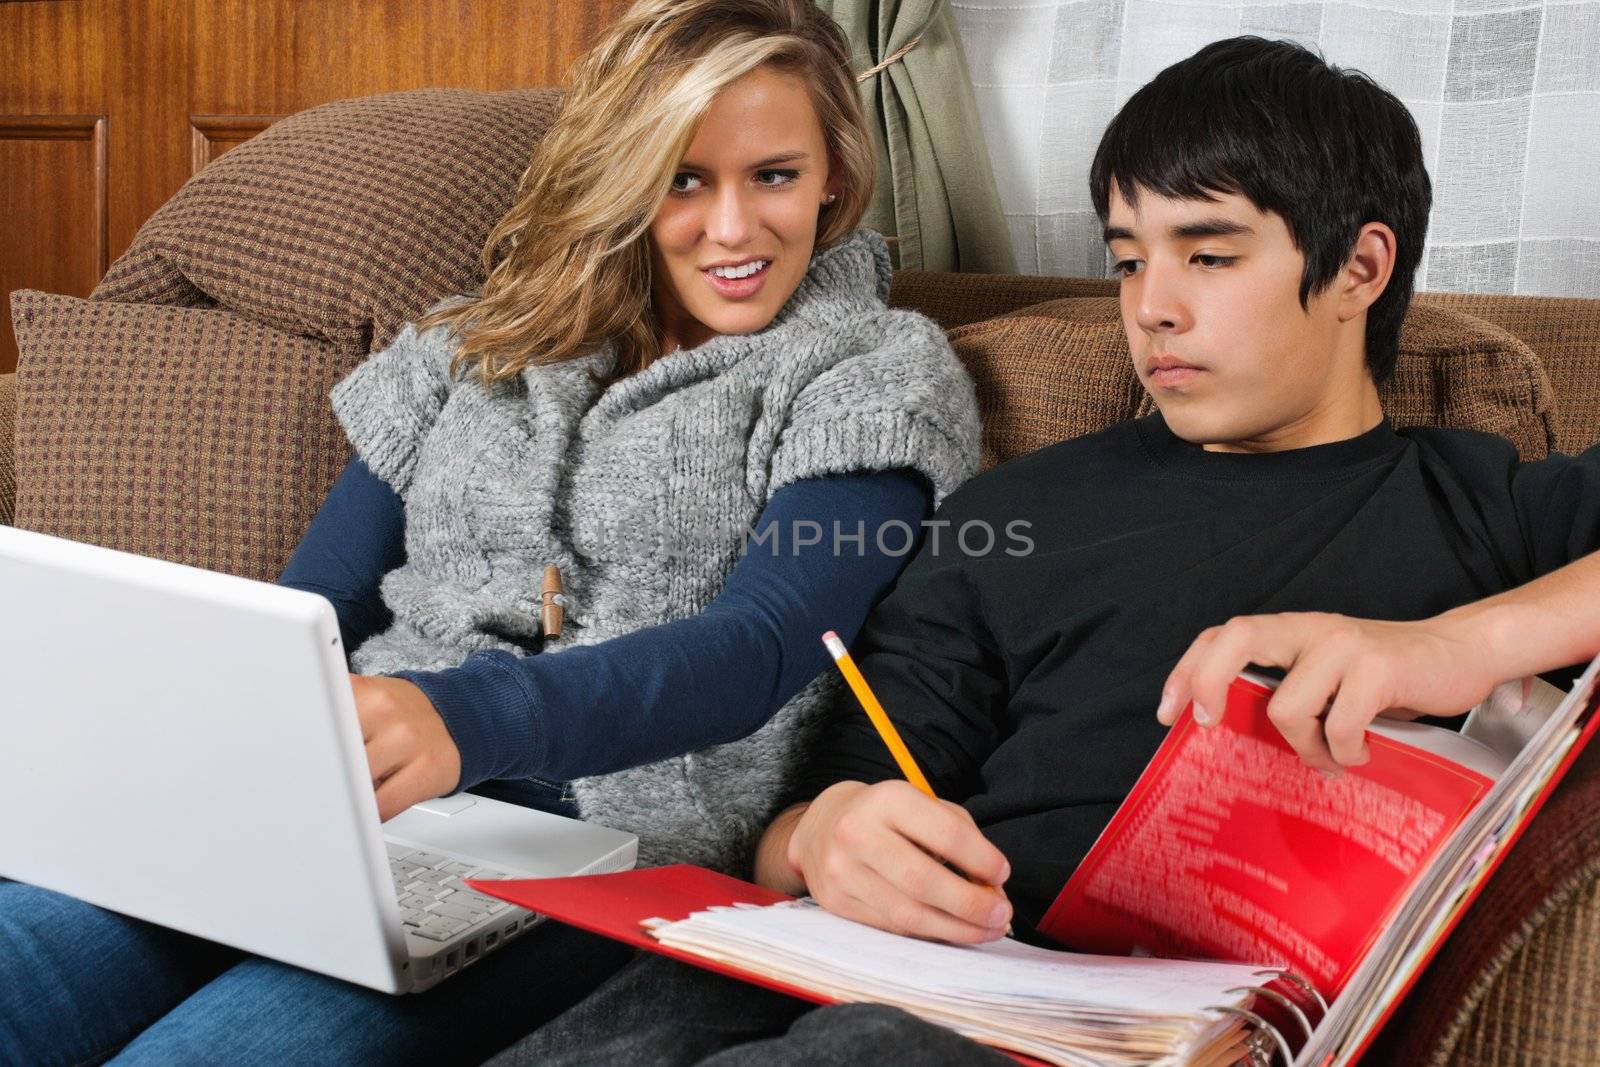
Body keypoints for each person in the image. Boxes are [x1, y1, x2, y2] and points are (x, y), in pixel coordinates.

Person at [485, 34, 1600, 1065]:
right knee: (647, 1016)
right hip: (934, 968)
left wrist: (1455, 645)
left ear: (1358, 268)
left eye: (1207, 255)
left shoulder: (1480, 502)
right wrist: (824, 834)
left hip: (1150, 1030)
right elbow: (841, 795)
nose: (1151, 307)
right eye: (1126, 261)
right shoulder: (1011, 513)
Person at [0, 2, 980, 1064]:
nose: (734, 227)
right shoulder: (472, 339)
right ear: (619, 176)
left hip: (605, 862)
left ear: (834, 171)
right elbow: (314, 606)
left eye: (773, 175)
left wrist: (460, 717)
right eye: (683, 178)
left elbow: (767, 645)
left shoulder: (876, 372)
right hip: (339, 810)